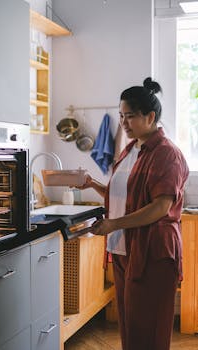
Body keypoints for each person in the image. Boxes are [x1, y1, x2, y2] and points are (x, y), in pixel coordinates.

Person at [78, 77, 189, 350]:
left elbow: (160, 206)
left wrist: (114, 224)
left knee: (148, 329)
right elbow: (124, 198)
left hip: (152, 251)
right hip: (124, 249)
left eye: (130, 116)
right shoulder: (131, 150)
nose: (124, 123)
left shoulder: (166, 154)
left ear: (150, 116)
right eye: (121, 116)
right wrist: (93, 184)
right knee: (130, 325)